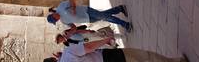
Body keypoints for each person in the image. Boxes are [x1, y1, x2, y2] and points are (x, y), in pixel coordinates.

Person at [49, 40, 188, 62]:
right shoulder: (68, 52)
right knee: (146, 57)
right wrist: (106, 40)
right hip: (110, 57)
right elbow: (89, 48)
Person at [47, 0, 131, 31]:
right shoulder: (63, 21)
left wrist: (73, 8)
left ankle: (124, 24)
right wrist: (72, 30)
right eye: (55, 21)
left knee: (105, 17)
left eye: (55, 19)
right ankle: (120, 8)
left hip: (86, 11)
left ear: (53, 15)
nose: (57, 20)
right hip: (87, 20)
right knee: (104, 15)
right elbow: (72, 25)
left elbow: (72, 1)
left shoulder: (61, 7)